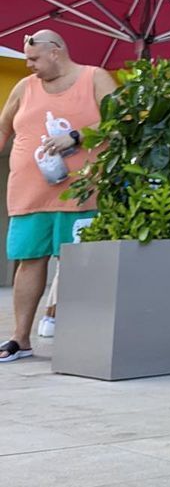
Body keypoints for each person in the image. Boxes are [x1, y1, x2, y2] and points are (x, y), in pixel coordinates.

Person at [0, 31, 115, 361]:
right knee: (28, 261)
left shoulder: (95, 78)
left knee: (79, 265)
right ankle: (20, 339)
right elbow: (3, 127)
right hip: (28, 194)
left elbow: (121, 122)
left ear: (56, 51)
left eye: (34, 58)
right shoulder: (25, 87)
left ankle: (79, 341)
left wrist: (76, 137)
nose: (28, 65)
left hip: (83, 193)